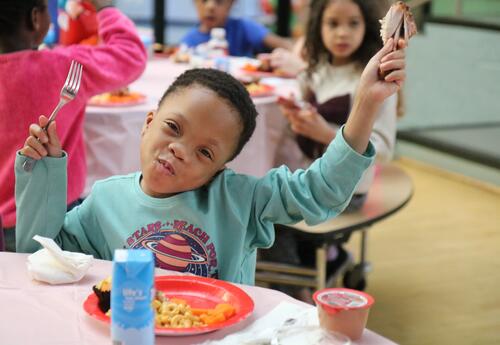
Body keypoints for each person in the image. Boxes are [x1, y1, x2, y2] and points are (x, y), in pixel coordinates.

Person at [15, 38, 406, 285]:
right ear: (147, 123)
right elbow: (44, 256)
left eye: (205, 152)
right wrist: (45, 172)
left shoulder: (239, 200)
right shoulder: (103, 202)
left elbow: (320, 191)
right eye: (172, 127)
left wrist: (366, 104)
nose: (181, 150)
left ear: (219, 169)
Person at [261, 0, 402, 300]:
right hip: (310, 178)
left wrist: (324, 132)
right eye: (332, 23)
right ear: (317, 27)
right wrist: (297, 119)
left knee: (267, 214)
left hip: (346, 191)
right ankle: (320, 265)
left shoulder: (374, 78)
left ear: (367, 27)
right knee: (263, 202)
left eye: (352, 23)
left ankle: (291, 296)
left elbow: (385, 150)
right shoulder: (315, 71)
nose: (342, 33)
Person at [0, 0, 147, 252]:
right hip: (54, 220)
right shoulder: (63, 66)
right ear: (35, 19)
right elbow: (130, 54)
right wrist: (105, 9)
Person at [181, 0, 293, 57]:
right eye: (204, 0)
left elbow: (285, 45)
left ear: (232, 3)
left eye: (219, 1)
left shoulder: (244, 27)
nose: (210, 7)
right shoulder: (188, 41)